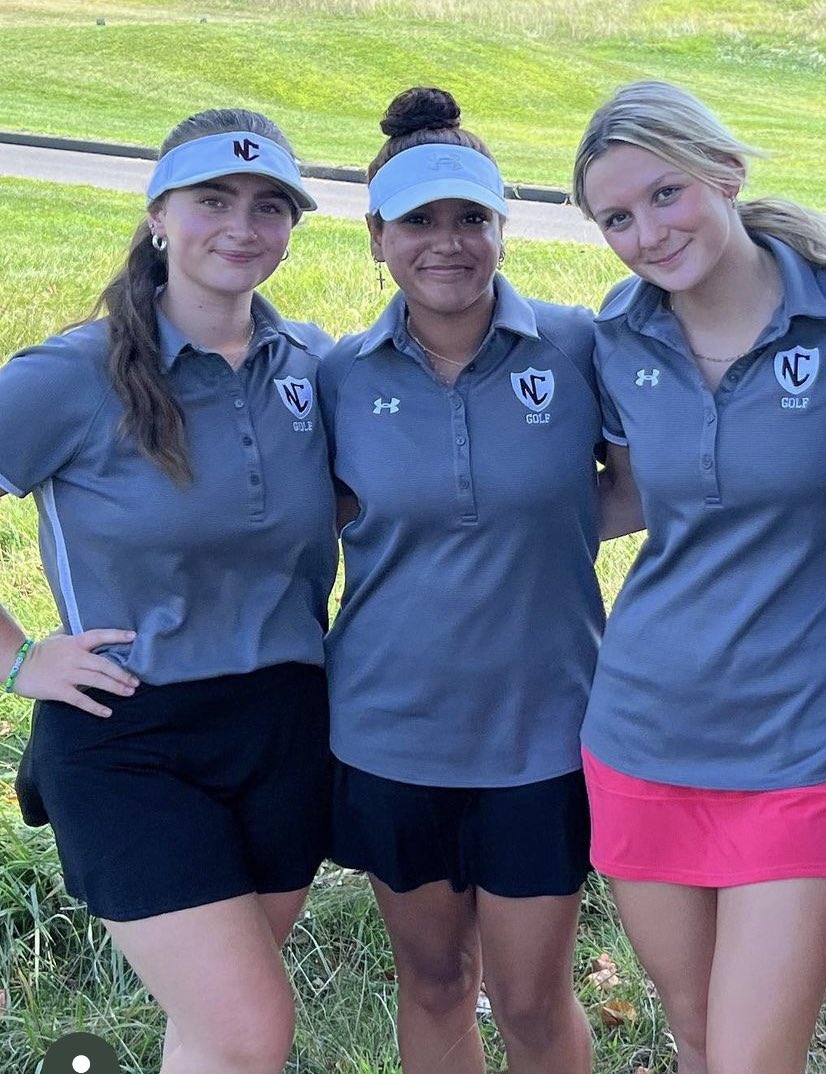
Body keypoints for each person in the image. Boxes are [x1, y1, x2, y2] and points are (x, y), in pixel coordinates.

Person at [570, 80, 826, 1074]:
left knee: (753, 1057)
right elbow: (626, 495)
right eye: (618, 218)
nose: (647, 232)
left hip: (802, 749)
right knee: (695, 1037)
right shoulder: (620, 335)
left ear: (724, 174)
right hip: (642, 735)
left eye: (666, 194)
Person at [2, 109, 337, 1074]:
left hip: (284, 728)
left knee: (214, 1030)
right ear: (159, 216)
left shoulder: (311, 365)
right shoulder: (70, 374)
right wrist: (19, 658)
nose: (242, 225)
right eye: (213, 200)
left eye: (270, 205)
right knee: (248, 1031)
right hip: (129, 735)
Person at [321, 86, 614, 1074]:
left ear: (501, 228)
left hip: (543, 733)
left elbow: (661, 482)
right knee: (436, 982)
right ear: (375, 237)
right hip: (391, 732)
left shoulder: (577, 346)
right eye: (418, 222)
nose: (446, 243)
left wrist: (553, 522)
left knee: (530, 999)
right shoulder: (338, 377)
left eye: (470, 220)